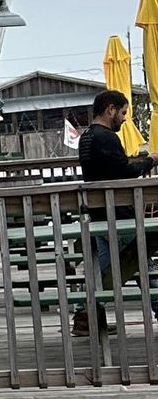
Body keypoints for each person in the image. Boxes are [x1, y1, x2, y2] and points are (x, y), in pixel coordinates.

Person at [74, 88, 158, 334]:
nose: (123, 119)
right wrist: (151, 161)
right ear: (110, 109)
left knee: (106, 271)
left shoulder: (86, 137)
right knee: (144, 264)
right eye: (122, 113)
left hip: (98, 214)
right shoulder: (107, 138)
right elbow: (124, 173)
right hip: (118, 215)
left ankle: (85, 316)